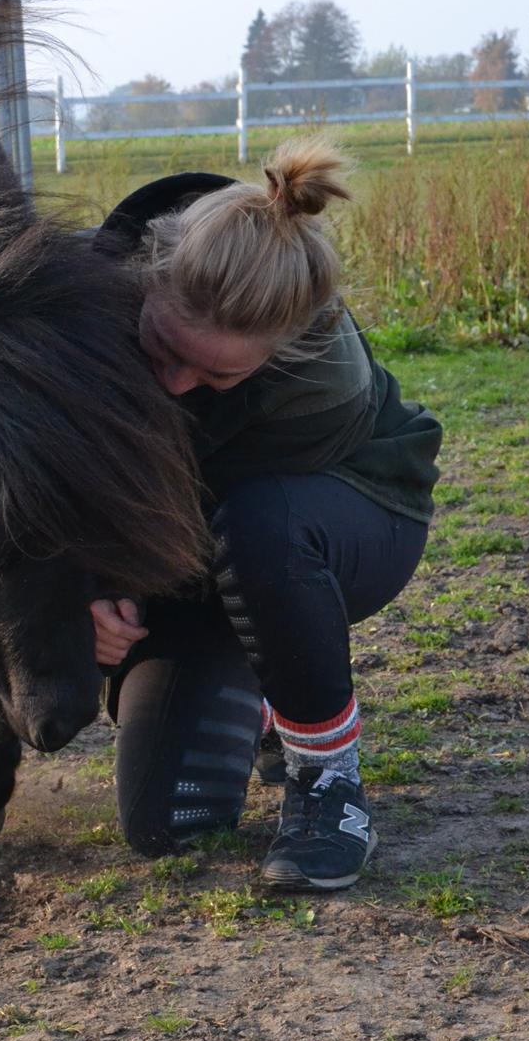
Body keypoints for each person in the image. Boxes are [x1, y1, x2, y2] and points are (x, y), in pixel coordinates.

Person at [89, 138, 442, 890]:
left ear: (276, 352)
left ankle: (326, 783)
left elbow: (195, 525)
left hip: (343, 517)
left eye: (217, 373)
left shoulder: (322, 385)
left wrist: (124, 582)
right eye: (160, 349)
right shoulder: (82, 301)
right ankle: (262, 695)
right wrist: (80, 592)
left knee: (258, 527)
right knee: (163, 824)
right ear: (143, 280)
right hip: (203, 545)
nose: (178, 384)